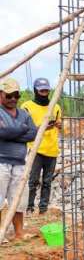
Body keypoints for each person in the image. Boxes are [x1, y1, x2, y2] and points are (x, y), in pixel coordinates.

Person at [0, 77, 38, 241]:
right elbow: (3, 133)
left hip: (20, 163)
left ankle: (19, 233)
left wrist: (13, 134)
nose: (13, 99)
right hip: (1, 162)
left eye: (16, 95)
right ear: (1, 94)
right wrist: (20, 130)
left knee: (19, 200)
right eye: (9, 96)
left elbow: (33, 132)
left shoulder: (23, 113)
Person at [22, 77, 62, 216]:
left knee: (47, 182)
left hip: (52, 150)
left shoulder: (55, 107)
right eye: (41, 90)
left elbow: (61, 127)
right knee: (33, 181)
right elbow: (24, 127)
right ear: (35, 91)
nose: (44, 93)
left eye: (46, 90)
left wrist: (60, 125)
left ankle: (43, 209)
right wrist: (40, 128)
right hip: (36, 149)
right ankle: (29, 208)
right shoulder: (27, 106)